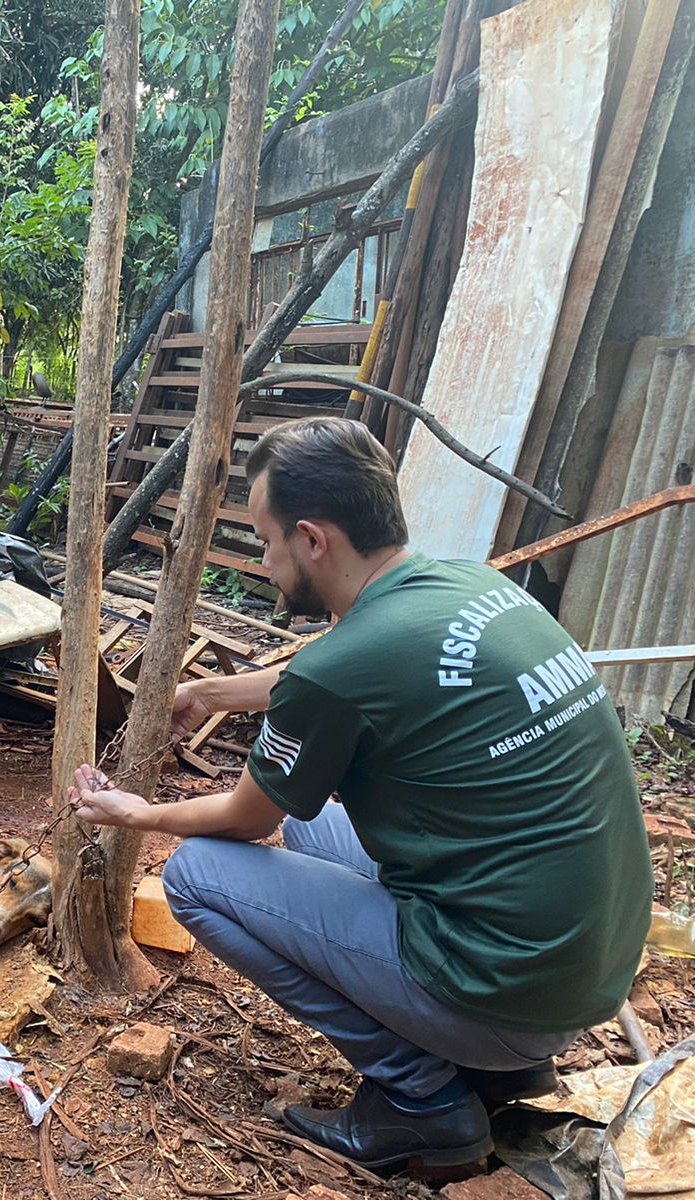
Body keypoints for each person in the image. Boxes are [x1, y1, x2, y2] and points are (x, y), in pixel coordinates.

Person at [70, 417, 652, 1173]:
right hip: (581, 967)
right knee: (316, 832)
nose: (269, 561)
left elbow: (247, 818)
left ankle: (421, 1104)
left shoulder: (342, 665)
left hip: (506, 993)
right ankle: (499, 1072)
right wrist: (215, 689)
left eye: (269, 540)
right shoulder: (467, 586)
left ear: (313, 539)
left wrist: (138, 813)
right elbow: (339, 674)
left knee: (195, 876)